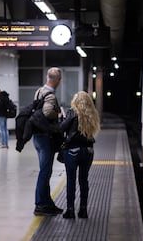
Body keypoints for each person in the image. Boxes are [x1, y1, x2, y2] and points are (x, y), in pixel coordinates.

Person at [59, 91, 100, 219]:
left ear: (75, 102)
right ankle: (83, 210)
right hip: (88, 151)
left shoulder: (72, 112)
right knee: (84, 180)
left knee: (71, 180)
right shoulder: (92, 114)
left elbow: (62, 128)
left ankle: (70, 210)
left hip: (72, 150)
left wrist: (62, 118)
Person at [32, 67, 64, 216]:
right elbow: (47, 112)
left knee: (46, 170)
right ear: (57, 80)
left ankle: (47, 203)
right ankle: (40, 205)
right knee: (45, 172)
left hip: (37, 137)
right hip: (45, 138)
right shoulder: (50, 95)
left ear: (47, 77)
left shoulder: (39, 91)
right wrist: (58, 114)